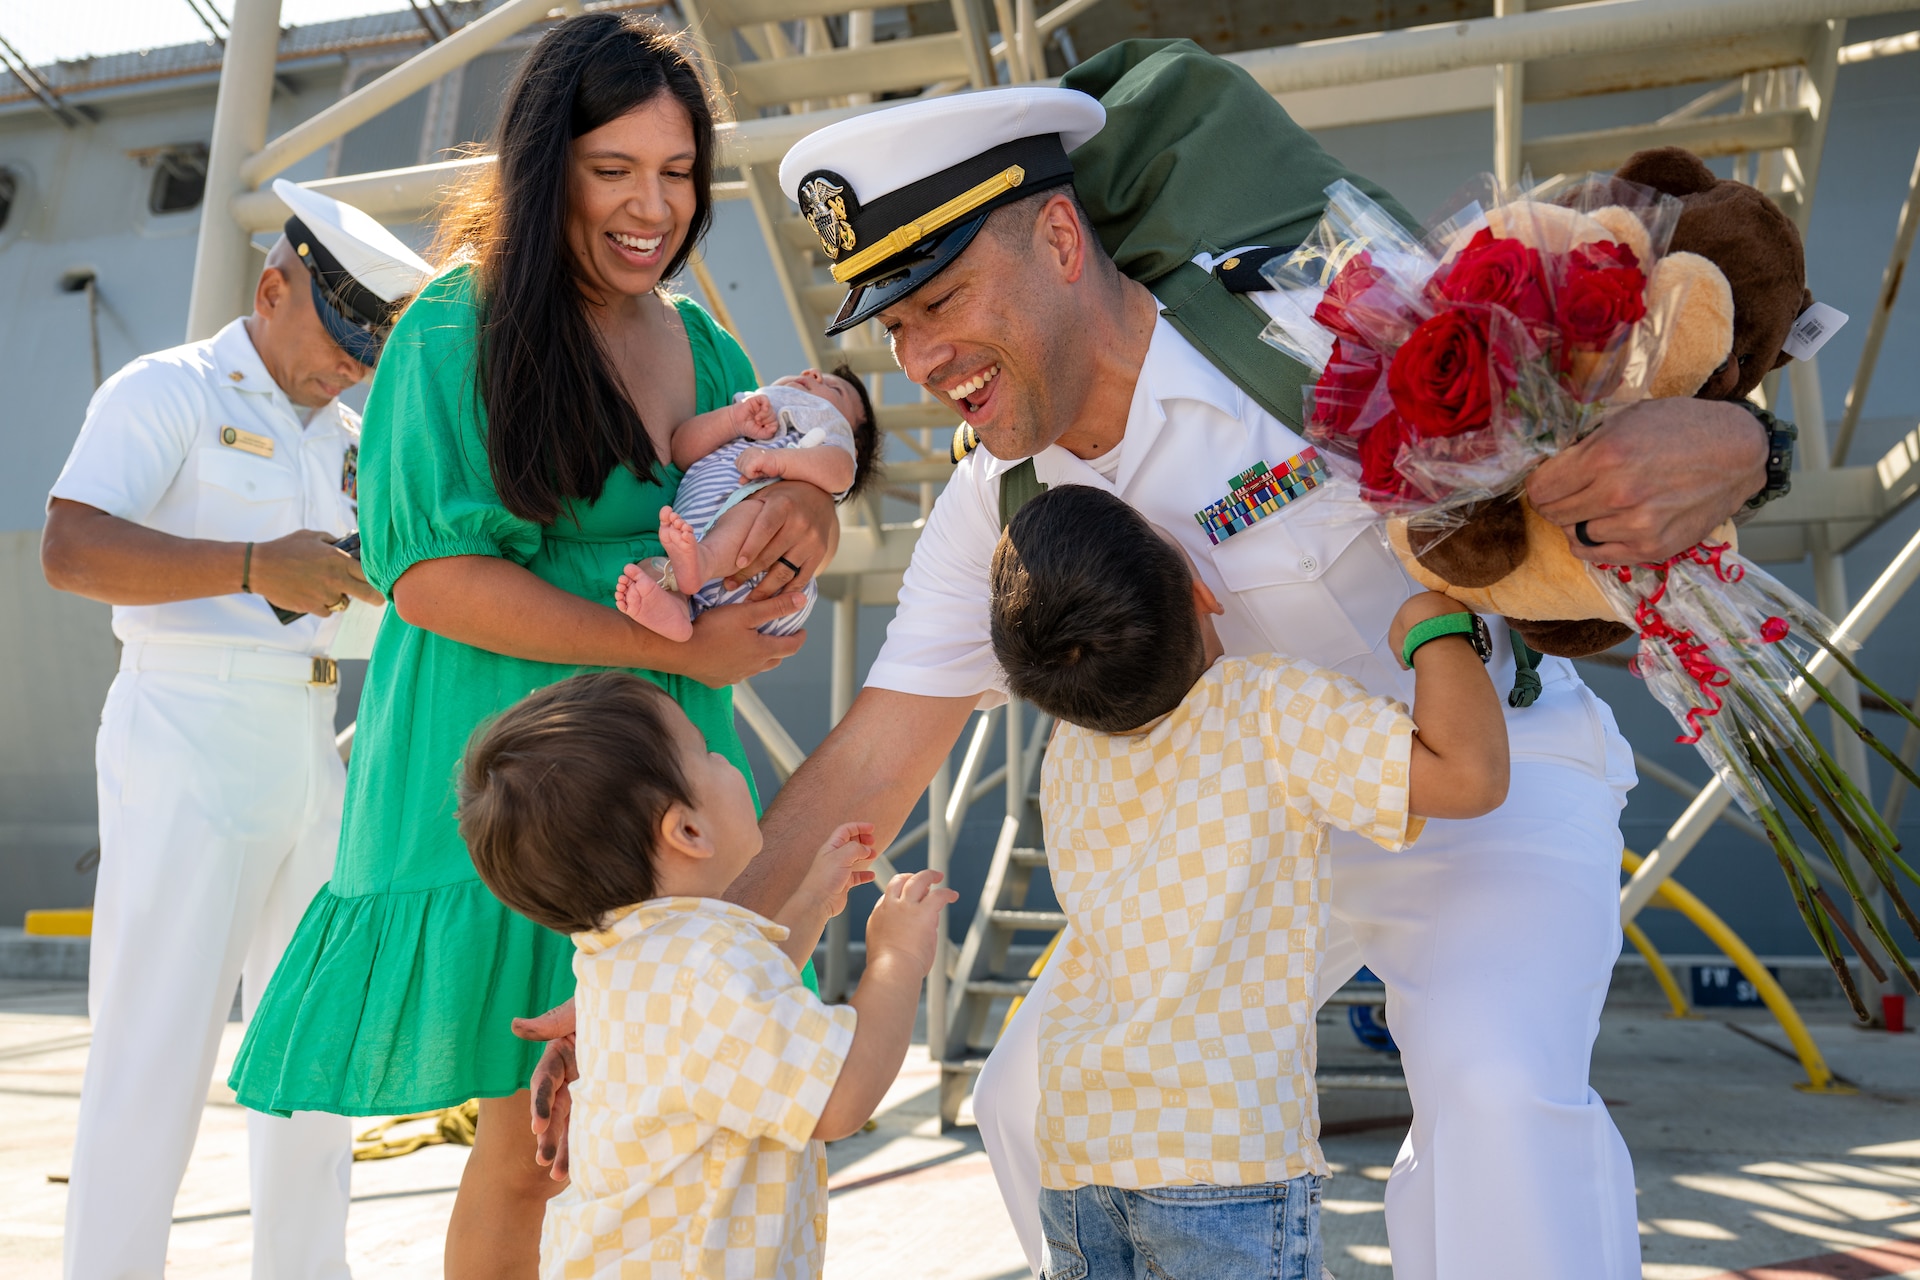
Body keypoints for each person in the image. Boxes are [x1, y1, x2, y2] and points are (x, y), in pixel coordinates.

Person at [530, 79, 1784, 1280]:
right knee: (1032, 1098)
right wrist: (676, 982)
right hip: (1241, 847)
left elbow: (1624, 433)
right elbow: (869, 759)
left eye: (946, 296)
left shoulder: (1309, 333)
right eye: (897, 321)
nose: (921, 355)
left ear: (1063, 237)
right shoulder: (1000, 504)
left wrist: (1748, 442)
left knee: (1499, 1098)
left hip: (1478, 789)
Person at [224, 15, 843, 1279]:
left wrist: (803, 521)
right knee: (535, 1151)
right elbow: (432, 579)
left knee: (661, 1139)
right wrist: (675, 649)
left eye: (677, 174)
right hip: (519, 777)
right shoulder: (456, 328)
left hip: (664, 776)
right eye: (614, 168)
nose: (650, 205)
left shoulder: (705, 343)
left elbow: (763, 484)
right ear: (544, 162)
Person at [40, 178, 429, 1278]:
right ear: (273, 287)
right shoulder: (167, 389)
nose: (353, 367)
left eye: (370, 352)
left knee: (317, 1047)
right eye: (343, 340)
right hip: (186, 727)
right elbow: (69, 549)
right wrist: (255, 565)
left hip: (315, 736)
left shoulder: (353, 433)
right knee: (152, 1045)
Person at [989, 485, 1509, 1279]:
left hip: (1077, 1151)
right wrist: (1437, 629)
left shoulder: (1069, 752)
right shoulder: (1266, 706)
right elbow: (1469, 777)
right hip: (1224, 1157)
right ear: (1204, 591)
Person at [458, 671, 955, 1279]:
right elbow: (837, 1096)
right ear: (687, 831)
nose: (725, 757)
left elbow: (742, 1019)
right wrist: (896, 959)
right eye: (706, 752)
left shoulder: (624, 951)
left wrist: (809, 904)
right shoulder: (708, 963)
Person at [616, 363, 877, 639]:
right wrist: (731, 420)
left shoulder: (828, 438)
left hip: (757, 569)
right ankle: (678, 612)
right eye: (809, 373)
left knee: (758, 509)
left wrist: (777, 461)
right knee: (647, 572)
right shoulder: (750, 413)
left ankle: (704, 562)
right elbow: (681, 450)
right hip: (688, 561)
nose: (811, 373)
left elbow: (842, 471)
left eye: (834, 388)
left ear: (854, 444)